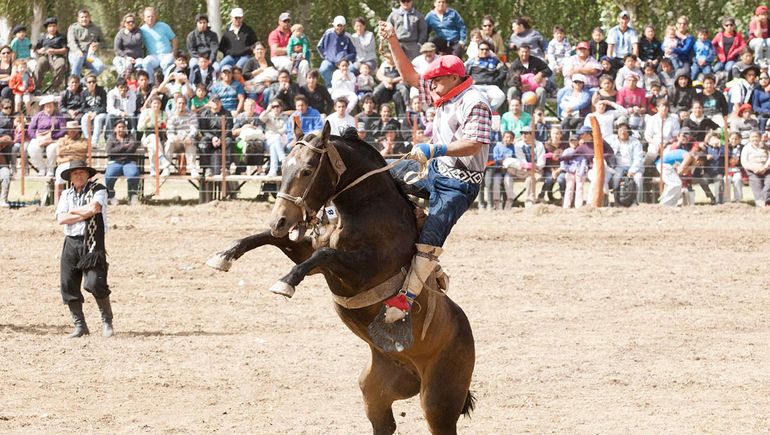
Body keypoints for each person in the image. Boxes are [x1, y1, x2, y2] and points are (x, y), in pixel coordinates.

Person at [379, 21, 492, 322]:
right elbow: (408, 75)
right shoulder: (447, 94)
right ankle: (432, 266)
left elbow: (474, 144)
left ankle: (406, 299)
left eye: (435, 81)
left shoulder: (474, 102)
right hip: (437, 171)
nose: (429, 86)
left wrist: (435, 149)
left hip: (460, 185)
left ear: (454, 77)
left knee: (431, 236)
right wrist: (392, 39)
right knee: (386, 178)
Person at [55, 160, 113, 338]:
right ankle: (80, 325)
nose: (78, 176)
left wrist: (73, 212)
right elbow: (61, 219)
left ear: (88, 174)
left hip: (92, 242)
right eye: (75, 173)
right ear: (71, 177)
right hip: (71, 241)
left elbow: (95, 208)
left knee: (95, 282)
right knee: (68, 284)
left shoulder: (99, 189)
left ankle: (107, 321)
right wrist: (84, 213)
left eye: (81, 172)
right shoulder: (66, 194)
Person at [27, 95, 66, 177]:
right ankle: (41, 168)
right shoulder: (38, 116)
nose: (49, 107)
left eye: (51, 104)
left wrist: (53, 137)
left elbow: (63, 130)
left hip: (54, 138)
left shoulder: (59, 116)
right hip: (39, 137)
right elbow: (30, 129)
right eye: (47, 105)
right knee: (32, 149)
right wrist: (37, 137)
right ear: (44, 106)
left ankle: (50, 170)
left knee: (52, 149)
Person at [605, 121, 644, 204]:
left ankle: (638, 202)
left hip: (633, 166)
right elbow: (601, 141)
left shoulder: (635, 142)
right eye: (620, 130)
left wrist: (633, 170)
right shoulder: (612, 139)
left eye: (625, 130)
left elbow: (639, 158)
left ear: (628, 131)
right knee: (616, 177)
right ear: (617, 132)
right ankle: (616, 201)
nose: (622, 132)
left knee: (638, 178)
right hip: (619, 166)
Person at [104, 119, 141, 205]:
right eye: (119, 127)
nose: (121, 129)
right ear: (115, 129)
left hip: (129, 162)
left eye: (123, 127)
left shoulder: (131, 137)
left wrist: (118, 151)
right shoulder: (111, 138)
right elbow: (109, 151)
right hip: (115, 162)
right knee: (109, 176)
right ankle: (111, 196)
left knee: (133, 175)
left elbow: (132, 148)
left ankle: (132, 196)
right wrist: (124, 147)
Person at [464, 40, 506, 110]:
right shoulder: (472, 61)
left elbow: (504, 71)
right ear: (478, 50)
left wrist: (496, 80)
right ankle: (486, 111)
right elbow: (464, 73)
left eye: (486, 49)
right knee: (484, 97)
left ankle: (489, 110)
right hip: (476, 86)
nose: (484, 51)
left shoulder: (495, 60)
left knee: (501, 96)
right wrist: (469, 81)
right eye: (482, 49)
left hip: (491, 86)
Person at [198, 95, 234, 175]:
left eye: (218, 101)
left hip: (223, 137)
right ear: (209, 103)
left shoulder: (227, 113)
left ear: (220, 102)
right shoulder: (204, 114)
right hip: (209, 137)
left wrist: (220, 139)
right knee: (202, 144)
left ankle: (225, 168)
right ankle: (206, 169)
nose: (216, 103)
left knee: (228, 141)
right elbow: (203, 130)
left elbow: (228, 129)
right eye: (213, 101)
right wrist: (212, 138)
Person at [317, 16, 357, 86]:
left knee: (352, 69)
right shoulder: (328, 34)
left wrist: (346, 59)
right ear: (334, 26)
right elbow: (319, 46)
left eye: (341, 26)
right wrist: (326, 56)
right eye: (338, 26)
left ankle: (346, 87)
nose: (340, 28)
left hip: (343, 62)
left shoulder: (348, 37)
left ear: (344, 26)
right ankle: (330, 86)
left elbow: (353, 53)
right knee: (323, 69)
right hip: (330, 61)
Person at [139, 7, 177, 79]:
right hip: (153, 56)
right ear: (144, 18)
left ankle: (166, 85)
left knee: (165, 63)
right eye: (148, 17)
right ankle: (151, 84)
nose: (150, 18)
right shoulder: (142, 30)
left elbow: (174, 38)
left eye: (152, 16)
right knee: (146, 62)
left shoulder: (163, 26)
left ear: (155, 17)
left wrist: (173, 52)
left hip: (166, 54)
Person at [67, 8, 105, 78]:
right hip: (75, 54)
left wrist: (97, 45)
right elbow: (71, 42)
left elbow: (103, 42)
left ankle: (83, 82)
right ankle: (73, 82)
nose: (84, 19)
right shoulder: (73, 28)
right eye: (82, 17)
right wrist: (77, 51)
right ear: (78, 19)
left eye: (86, 17)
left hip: (89, 56)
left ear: (89, 17)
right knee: (79, 58)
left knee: (100, 66)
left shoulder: (96, 28)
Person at [137, 96, 170, 176]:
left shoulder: (163, 114)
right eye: (154, 103)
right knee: (153, 138)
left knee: (152, 147)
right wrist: (145, 122)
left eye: (158, 103)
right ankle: (161, 158)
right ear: (151, 104)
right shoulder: (146, 113)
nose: (156, 105)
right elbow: (139, 129)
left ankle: (152, 169)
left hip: (160, 139)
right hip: (147, 138)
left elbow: (167, 127)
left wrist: (163, 126)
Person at [34, 17, 69, 92]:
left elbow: (65, 50)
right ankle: (38, 88)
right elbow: (36, 49)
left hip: (57, 56)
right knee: (39, 64)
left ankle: (55, 87)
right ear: (47, 28)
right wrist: (40, 51)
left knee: (61, 64)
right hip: (45, 57)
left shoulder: (61, 37)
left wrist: (54, 51)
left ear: (56, 27)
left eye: (54, 26)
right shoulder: (42, 38)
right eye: (50, 26)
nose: (52, 28)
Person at [259, 99, 289, 176]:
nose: (275, 108)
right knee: (274, 143)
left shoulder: (284, 117)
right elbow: (261, 118)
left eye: (277, 106)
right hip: (269, 140)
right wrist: (267, 110)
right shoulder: (268, 116)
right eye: (273, 106)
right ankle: (282, 159)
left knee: (275, 143)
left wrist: (276, 133)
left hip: (281, 140)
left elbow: (285, 129)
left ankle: (273, 171)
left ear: (281, 107)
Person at [740, 130, 770, 206]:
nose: (755, 139)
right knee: (756, 185)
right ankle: (760, 204)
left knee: (769, 183)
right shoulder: (746, 148)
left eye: (756, 137)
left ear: (760, 138)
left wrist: (765, 167)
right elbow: (744, 162)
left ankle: (767, 201)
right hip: (752, 170)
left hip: (766, 169)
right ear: (749, 139)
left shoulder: (766, 146)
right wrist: (754, 169)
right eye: (753, 137)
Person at [113, 13, 145, 78]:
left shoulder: (138, 31)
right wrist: (126, 57)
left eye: (132, 22)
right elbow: (117, 49)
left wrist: (128, 33)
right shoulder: (120, 33)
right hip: (125, 57)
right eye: (128, 22)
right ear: (124, 23)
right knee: (116, 60)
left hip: (137, 58)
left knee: (140, 66)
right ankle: (123, 77)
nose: (130, 23)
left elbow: (136, 41)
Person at [80, 74, 108, 147]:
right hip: (90, 112)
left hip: (101, 112)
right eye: (89, 82)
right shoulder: (83, 93)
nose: (92, 83)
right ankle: (88, 140)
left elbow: (104, 106)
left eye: (93, 81)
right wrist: (89, 112)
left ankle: (94, 142)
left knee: (98, 119)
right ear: (86, 83)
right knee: (84, 119)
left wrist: (96, 112)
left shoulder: (102, 91)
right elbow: (83, 107)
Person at [0, 99, 12, 207]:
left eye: (10, 107)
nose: (8, 110)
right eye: (6, 107)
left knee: (6, 173)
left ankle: (3, 200)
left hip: (2, 164)